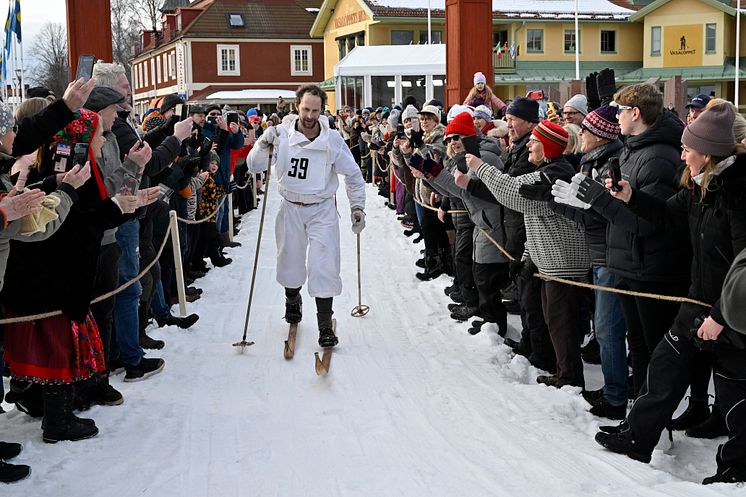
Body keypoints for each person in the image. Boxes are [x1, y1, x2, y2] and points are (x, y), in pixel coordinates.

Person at [593, 102, 746, 486]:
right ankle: (637, 437)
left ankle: (737, 467)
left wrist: (721, 317)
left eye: (687, 148)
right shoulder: (700, 187)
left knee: (734, 396)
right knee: (664, 365)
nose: (681, 154)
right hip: (696, 300)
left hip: (732, 313)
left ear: (707, 153)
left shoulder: (738, 194)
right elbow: (665, 215)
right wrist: (630, 196)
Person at [247, 85, 366, 347]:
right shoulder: (281, 135)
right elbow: (254, 166)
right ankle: (292, 300)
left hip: (321, 208)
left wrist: (357, 207)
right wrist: (262, 142)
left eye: (315, 110)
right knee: (290, 258)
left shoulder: (332, 139)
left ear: (322, 109)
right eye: (305, 109)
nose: (310, 115)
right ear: (297, 106)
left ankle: (325, 324)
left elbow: (354, 175)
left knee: (324, 263)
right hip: (290, 206)